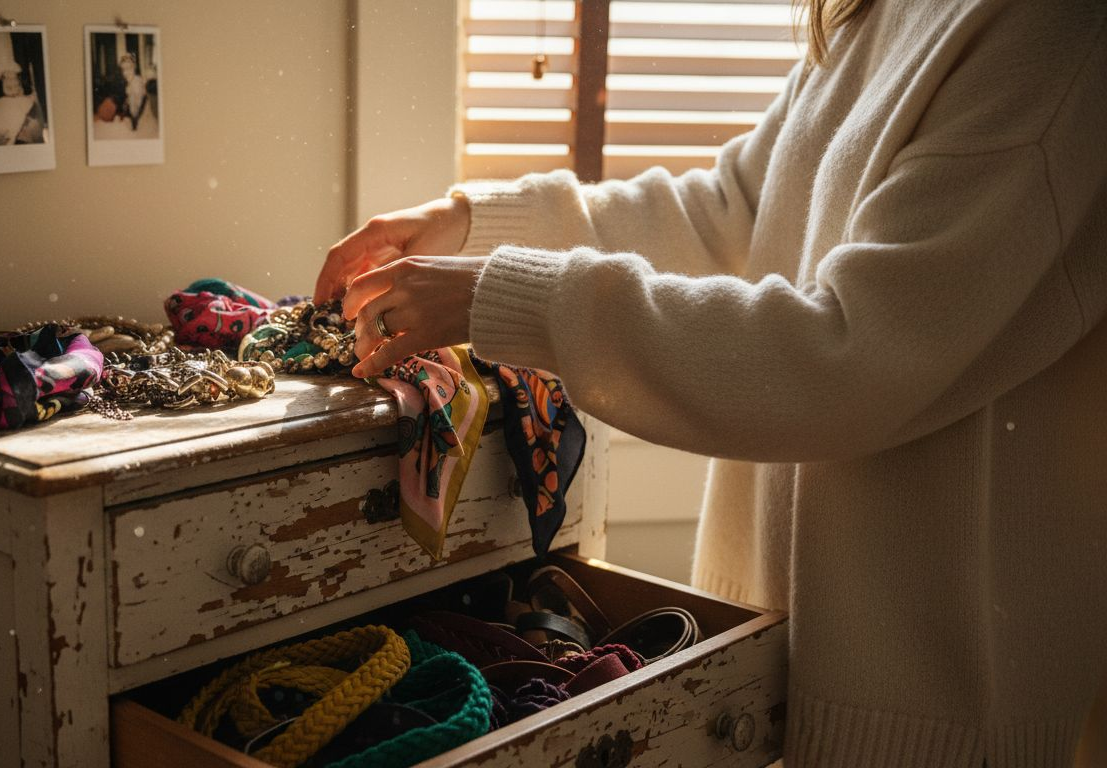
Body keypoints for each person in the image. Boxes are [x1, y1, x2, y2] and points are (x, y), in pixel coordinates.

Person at [314, 0, 1107, 764]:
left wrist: (502, 295)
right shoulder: (876, 10)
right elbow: (732, 211)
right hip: (781, 644)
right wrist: (472, 223)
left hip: (931, 702)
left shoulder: (1053, 34)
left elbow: (847, 357)